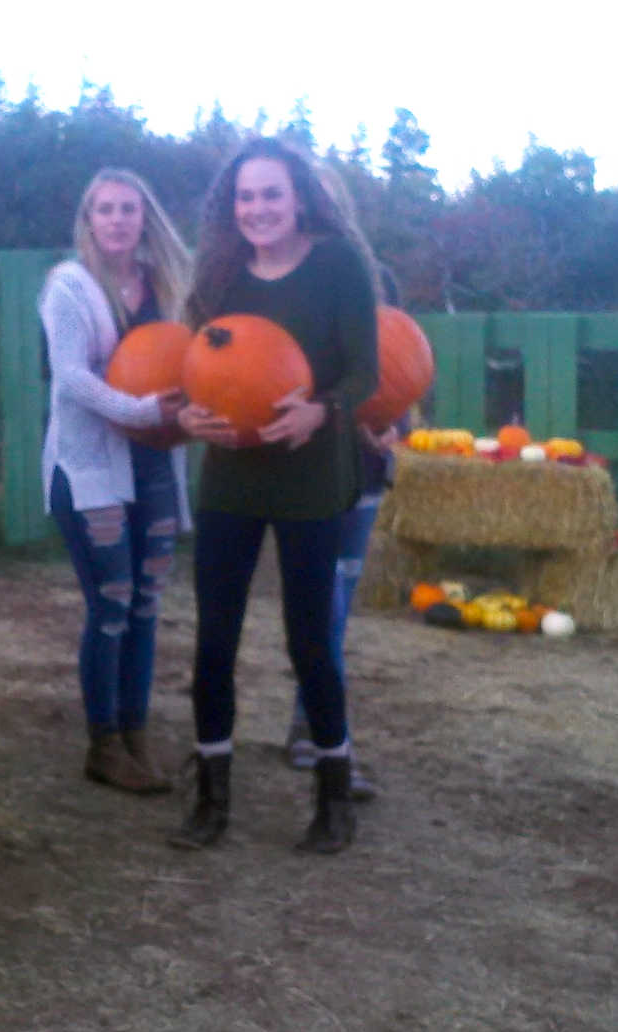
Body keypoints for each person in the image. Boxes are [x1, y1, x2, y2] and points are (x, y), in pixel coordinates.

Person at [169, 136, 378, 855]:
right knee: (214, 639)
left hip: (309, 472)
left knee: (308, 640)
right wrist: (188, 414)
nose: (257, 208)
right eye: (246, 197)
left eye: (271, 195)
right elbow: (198, 369)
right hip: (232, 474)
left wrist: (322, 409)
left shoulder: (339, 265)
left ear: (299, 199)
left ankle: (333, 792)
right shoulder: (221, 275)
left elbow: (365, 373)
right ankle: (211, 795)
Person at [39, 168, 193, 795]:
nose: (118, 220)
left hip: (155, 465)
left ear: (145, 217)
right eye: (105, 209)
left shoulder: (169, 286)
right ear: (89, 219)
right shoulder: (69, 287)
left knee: (146, 606)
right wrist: (142, 412)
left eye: (129, 209)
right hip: (91, 469)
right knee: (111, 603)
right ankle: (102, 742)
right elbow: (71, 376)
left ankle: (135, 733)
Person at [280, 166, 400, 802]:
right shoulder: (275, 281)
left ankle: (312, 723)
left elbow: (397, 374)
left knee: (336, 613)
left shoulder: (375, 282)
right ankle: (328, 741)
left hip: (366, 472)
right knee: (320, 608)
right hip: (313, 467)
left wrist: (397, 429)